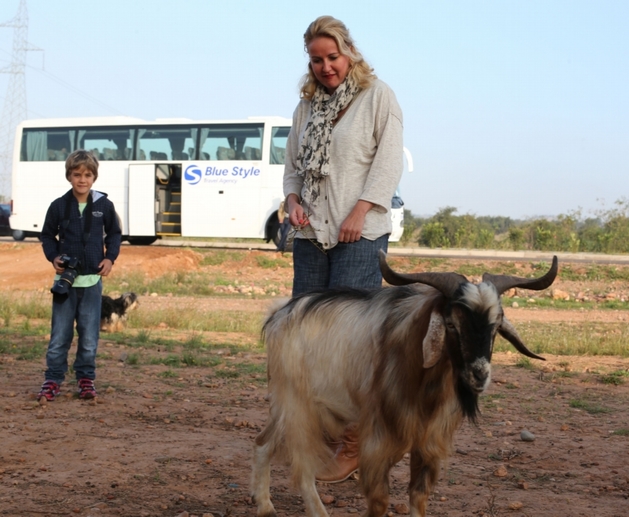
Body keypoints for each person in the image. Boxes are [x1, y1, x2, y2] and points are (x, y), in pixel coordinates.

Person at [283, 16, 404, 482]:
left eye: (332, 57)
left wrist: (360, 212)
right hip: (312, 237)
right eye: (317, 60)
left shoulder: (378, 96)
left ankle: (355, 442)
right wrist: (293, 202)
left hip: (361, 234)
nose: (326, 67)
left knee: (353, 346)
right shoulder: (306, 105)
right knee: (309, 340)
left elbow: (388, 162)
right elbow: (293, 166)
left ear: (349, 52)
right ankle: (325, 436)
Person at [38, 150, 121, 401]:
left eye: (87, 175)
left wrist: (109, 258)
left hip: (92, 283)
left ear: (94, 177)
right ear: (69, 176)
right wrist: (53, 257)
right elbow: (46, 236)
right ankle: (52, 379)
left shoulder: (104, 206)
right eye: (77, 175)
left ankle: (86, 379)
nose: (82, 180)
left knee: (88, 336)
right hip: (65, 284)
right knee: (60, 335)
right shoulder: (58, 206)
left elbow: (115, 234)